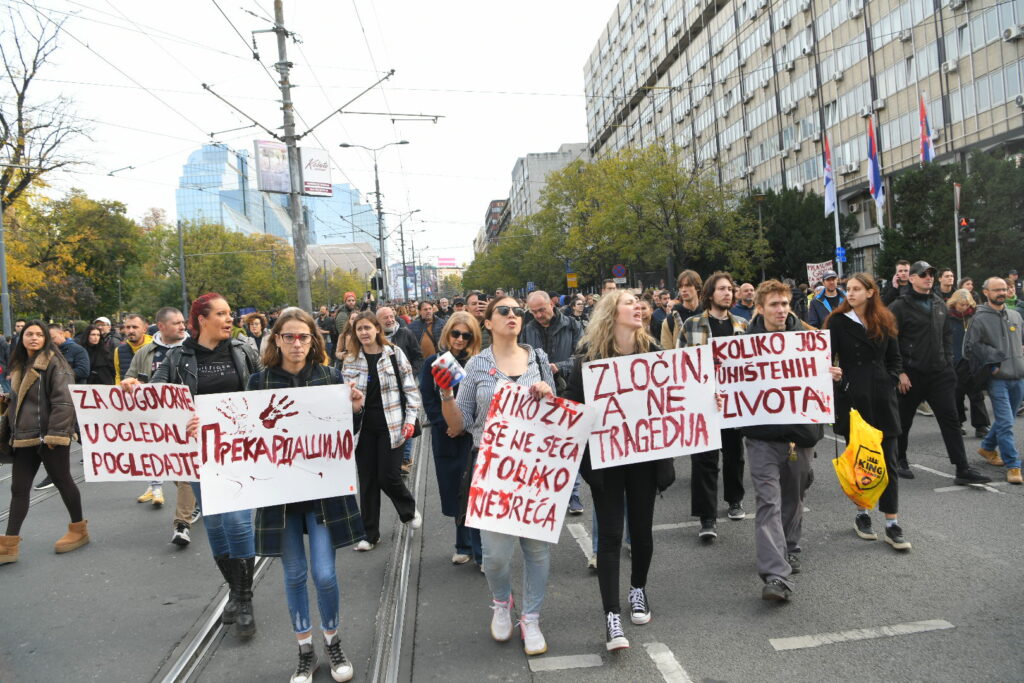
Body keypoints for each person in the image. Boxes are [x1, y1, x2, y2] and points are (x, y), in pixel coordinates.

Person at [248, 307, 365, 683]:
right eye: (289, 337)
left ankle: (333, 642)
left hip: (322, 494)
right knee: (295, 574)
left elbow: (345, 433)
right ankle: (305, 651)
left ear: (314, 340)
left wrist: (356, 410)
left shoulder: (330, 378)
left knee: (325, 574)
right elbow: (244, 434)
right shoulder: (259, 382)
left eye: (303, 337)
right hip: (281, 496)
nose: (296, 343)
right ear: (277, 340)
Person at [435, 296, 555, 656]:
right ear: (487, 322)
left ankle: (531, 617)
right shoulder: (476, 365)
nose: (512, 315)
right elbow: (459, 424)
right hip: (492, 470)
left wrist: (548, 394)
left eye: (517, 311)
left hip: (534, 468)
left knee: (536, 549)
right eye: (503, 311)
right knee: (495, 556)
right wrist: (445, 393)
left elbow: (557, 415)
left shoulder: (538, 359)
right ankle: (502, 602)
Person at [151, 293, 262, 639]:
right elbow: (157, 395)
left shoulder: (243, 351)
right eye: (222, 314)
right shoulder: (177, 356)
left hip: (240, 450)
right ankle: (236, 590)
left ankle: (244, 598)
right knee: (215, 524)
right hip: (199, 454)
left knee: (237, 521)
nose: (230, 319)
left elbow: (267, 388)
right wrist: (135, 389)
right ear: (202, 319)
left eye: (230, 314)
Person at [563, 290, 662, 651]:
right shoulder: (588, 361)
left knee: (641, 530)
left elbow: (674, 400)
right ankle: (612, 615)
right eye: (629, 303)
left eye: (638, 303)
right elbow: (573, 409)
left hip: (644, 459)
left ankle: (638, 589)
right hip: (607, 461)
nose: (637, 307)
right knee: (609, 536)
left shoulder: (653, 354)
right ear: (611, 313)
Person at [742, 282, 837, 601]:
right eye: (774, 304)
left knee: (793, 498)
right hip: (762, 436)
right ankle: (775, 575)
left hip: (800, 436)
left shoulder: (809, 340)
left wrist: (831, 375)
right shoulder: (741, 346)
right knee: (768, 501)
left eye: (784, 303)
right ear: (759, 308)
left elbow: (821, 377)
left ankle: (790, 547)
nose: (781, 310)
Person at [825, 274, 910, 550]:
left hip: (883, 398)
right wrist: (840, 381)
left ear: (871, 292)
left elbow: (895, 358)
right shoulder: (838, 321)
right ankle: (862, 514)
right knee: (861, 460)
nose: (850, 293)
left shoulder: (885, 319)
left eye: (856, 289)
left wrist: (890, 379)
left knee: (889, 461)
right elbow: (826, 358)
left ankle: (892, 523)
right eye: (848, 289)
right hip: (854, 398)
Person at [888, 262, 990, 486]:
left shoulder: (938, 303)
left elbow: (946, 336)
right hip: (911, 375)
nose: (929, 277)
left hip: (940, 374)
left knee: (951, 421)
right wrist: (900, 372)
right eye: (923, 274)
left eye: (931, 274)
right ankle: (900, 459)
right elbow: (891, 341)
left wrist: (948, 364)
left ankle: (962, 468)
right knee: (903, 421)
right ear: (912, 279)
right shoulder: (899, 306)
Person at [0, 321, 84, 565]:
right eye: (29, 334)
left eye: (39, 334)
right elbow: (26, 400)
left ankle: (79, 529)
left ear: (46, 338)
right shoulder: (20, 364)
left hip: (49, 437)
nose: (34, 338)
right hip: (25, 436)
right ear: (22, 338)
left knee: (63, 481)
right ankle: (9, 543)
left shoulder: (56, 363)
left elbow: (64, 401)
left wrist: (55, 435)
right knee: (18, 488)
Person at [341, 312, 422, 552]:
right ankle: (369, 534)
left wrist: (410, 420)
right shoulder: (350, 360)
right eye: (359, 329)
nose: (363, 333)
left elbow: (411, 391)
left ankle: (408, 510)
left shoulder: (394, 354)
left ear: (377, 329)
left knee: (388, 476)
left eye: (367, 327)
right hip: (362, 428)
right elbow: (343, 397)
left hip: (392, 425)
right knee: (367, 480)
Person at [677, 273, 748, 541]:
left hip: (734, 401)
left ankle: (734, 500)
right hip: (703, 402)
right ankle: (707, 517)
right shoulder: (692, 324)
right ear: (709, 294)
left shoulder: (742, 324)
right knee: (704, 459)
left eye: (730, 289)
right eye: (722, 289)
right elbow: (680, 362)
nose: (728, 293)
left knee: (734, 454)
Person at [121, 307, 196, 543]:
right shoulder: (145, 353)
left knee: (186, 471)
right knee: (173, 468)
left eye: (183, 322)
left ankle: (182, 524)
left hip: (188, 422)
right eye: (176, 323)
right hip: (157, 424)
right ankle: (197, 498)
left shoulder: (194, 349)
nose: (182, 326)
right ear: (161, 326)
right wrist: (129, 383)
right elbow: (130, 379)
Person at [418, 311, 483, 567]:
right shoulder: (435, 362)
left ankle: (480, 549)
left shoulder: (478, 362)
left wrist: (465, 425)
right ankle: (463, 544)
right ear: (448, 333)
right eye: (456, 333)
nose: (460, 339)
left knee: (476, 491)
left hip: (473, 435)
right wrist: (447, 425)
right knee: (456, 490)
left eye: (466, 336)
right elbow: (428, 398)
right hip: (446, 436)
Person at [965, 277, 1024, 484]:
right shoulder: (979, 318)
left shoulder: (1016, 315)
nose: (1001, 293)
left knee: (1006, 419)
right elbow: (971, 347)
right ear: (986, 292)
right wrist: (992, 361)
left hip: (1019, 377)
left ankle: (988, 448)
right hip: (997, 379)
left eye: (1004, 289)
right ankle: (1013, 465)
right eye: (996, 290)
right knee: (1006, 422)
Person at [946, 289, 990, 438]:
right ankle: (957, 424)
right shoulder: (947, 317)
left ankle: (981, 426)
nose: (964, 307)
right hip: (954, 361)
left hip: (973, 361)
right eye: (961, 305)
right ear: (954, 303)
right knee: (956, 395)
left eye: (967, 304)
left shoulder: (976, 317)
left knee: (976, 395)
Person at [660, 270, 702, 349]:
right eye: (681, 286)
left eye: (688, 285)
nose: (683, 290)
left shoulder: (709, 314)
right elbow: (666, 352)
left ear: (697, 288)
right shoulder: (670, 321)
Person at [113, 313, 152, 385]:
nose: (131, 331)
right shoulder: (119, 350)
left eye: (135, 327)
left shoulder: (155, 347)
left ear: (144, 329)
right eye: (128, 327)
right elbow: (118, 375)